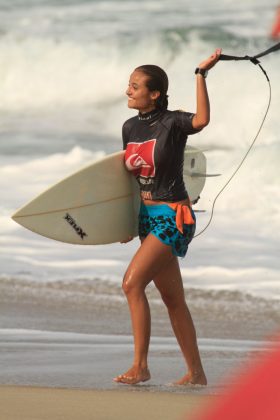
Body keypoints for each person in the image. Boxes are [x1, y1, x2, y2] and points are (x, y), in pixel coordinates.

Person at [113, 49, 221, 386]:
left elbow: (201, 121)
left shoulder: (173, 123)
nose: (128, 91)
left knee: (131, 284)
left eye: (135, 86)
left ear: (154, 93)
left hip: (173, 217)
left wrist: (200, 74)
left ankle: (140, 366)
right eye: (129, 85)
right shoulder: (130, 127)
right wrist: (128, 223)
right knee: (173, 299)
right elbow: (131, 181)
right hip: (148, 217)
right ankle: (197, 374)